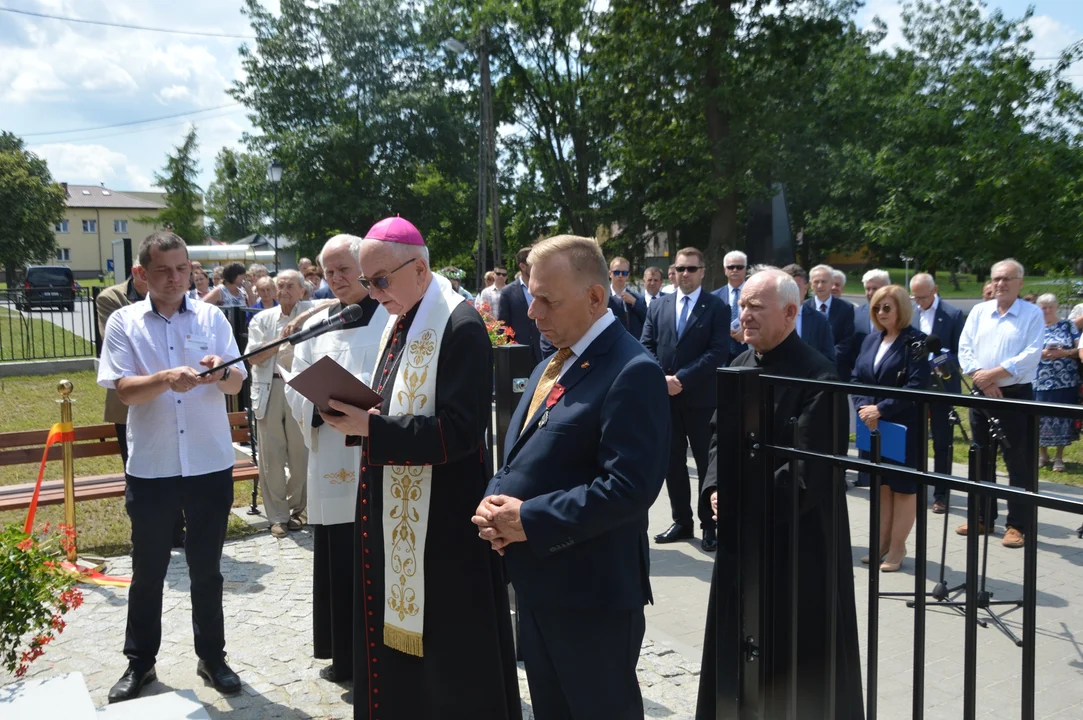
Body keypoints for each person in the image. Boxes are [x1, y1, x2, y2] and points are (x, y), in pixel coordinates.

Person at [316, 217, 520, 720]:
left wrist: (372, 428)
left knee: (447, 655)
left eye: (380, 280)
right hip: (395, 513)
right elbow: (390, 403)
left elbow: (460, 431)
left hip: (443, 527)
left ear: (421, 268)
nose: (373, 292)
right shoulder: (399, 317)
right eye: (367, 282)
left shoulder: (460, 324)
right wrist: (352, 413)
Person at [475, 234, 669, 719]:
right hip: (542, 582)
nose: (534, 311)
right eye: (531, 294)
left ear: (595, 298)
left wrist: (530, 519)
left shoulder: (632, 370)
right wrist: (494, 504)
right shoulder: (552, 361)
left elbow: (630, 488)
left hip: (592, 597)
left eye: (547, 300)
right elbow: (522, 452)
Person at [696, 268, 863, 720]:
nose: (743, 315)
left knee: (796, 660)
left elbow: (809, 469)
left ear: (790, 312)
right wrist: (714, 486)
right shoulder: (737, 367)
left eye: (755, 306)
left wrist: (740, 498)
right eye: (742, 305)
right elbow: (717, 440)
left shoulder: (819, 377)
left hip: (799, 544)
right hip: (743, 538)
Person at [97, 232, 247, 703]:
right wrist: (165, 378)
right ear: (141, 273)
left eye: (182, 269)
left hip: (208, 463)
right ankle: (139, 664)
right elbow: (124, 391)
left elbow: (235, 380)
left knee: (207, 569)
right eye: (163, 270)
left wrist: (220, 370)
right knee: (148, 571)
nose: (175, 278)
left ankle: (213, 657)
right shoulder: (124, 322)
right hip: (154, 466)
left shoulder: (212, 315)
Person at [283, 235, 389, 683]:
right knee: (338, 555)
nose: (337, 278)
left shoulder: (391, 318)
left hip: (377, 453)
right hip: (330, 456)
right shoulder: (323, 321)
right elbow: (294, 383)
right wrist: (317, 405)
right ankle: (344, 656)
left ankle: (378, 659)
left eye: (344, 268)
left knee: (374, 555)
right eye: (328, 272)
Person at [642, 246, 730, 551]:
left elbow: (718, 351)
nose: (685, 274)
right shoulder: (659, 305)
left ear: (702, 272)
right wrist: (662, 379)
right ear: (673, 272)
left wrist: (682, 379)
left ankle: (710, 525)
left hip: (702, 399)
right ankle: (682, 520)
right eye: (680, 269)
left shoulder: (716, 307)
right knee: (672, 463)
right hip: (666, 399)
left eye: (692, 269)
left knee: (707, 464)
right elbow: (646, 345)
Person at [96, 267, 186, 549]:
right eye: (158, 271)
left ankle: (176, 530)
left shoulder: (177, 299)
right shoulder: (112, 300)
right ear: (138, 271)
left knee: (177, 466)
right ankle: (146, 534)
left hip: (173, 399)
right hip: (131, 401)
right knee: (137, 470)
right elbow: (124, 346)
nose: (167, 279)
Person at [957, 258, 1043, 549]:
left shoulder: (1031, 314)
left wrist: (995, 374)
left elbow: (1031, 354)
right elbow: (964, 347)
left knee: (1017, 461)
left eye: (1007, 279)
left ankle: (1017, 525)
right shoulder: (980, 311)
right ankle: (982, 517)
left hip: (1015, 394)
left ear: (1020, 283)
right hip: (982, 394)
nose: (1000, 284)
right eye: (996, 279)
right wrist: (983, 380)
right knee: (980, 457)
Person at [852, 285, 931, 571]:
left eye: (887, 307)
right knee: (881, 486)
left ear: (901, 309)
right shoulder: (871, 340)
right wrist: (863, 407)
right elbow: (857, 378)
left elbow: (916, 385)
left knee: (903, 489)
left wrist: (881, 408)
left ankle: (898, 548)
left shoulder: (916, 342)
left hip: (903, 426)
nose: (881, 312)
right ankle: (881, 544)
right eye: (876, 308)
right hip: (872, 425)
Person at [247, 270, 312, 539]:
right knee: (271, 456)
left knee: (301, 454)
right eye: (280, 286)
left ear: (302, 290)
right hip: (270, 387)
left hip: (300, 387)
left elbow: (334, 303)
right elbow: (253, 357)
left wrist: (300, 319)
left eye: (290, 286)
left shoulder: (312, 313)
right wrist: (284, 336)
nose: (284, 291)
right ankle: (277, 516)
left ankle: (299, 511)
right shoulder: (262, 319)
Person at [909, 273, 965, 511]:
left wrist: (936, 359)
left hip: (943, 385)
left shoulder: (953, 315)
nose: (919, 301)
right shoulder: (910, 313)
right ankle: (916, 487)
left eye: (923, 296)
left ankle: (941, 493)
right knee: (914, 439)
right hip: (915, 386)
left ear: (935, 290)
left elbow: (961, 352)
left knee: (942, 441)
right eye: (915, 296)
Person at [1033, 294, 1080, 472]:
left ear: (1056, 307)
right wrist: (1043, 354)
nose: (1046, 310)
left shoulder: (1068, 325)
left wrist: (1065, 353)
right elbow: (1024, 351)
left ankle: (1059, 457)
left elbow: (1078, 349)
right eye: (1042, 307)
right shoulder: (1034, 327)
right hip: (1040, 380)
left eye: (1049, 307)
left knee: (1063, 417)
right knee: (1040, 417)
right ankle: (1042, 454)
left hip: (1065, 380)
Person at [806, 264, 856, 382]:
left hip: (837, 369)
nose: (820, 285)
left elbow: (847, 339)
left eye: (824, 281)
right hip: (809, 369)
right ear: (810, 284)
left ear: (831, 283)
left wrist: (827, 357)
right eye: (816, 282)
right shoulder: (804, 307)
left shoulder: (846, 308)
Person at [499, 246, 544, 364]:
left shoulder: (545, 288)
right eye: (534, 264)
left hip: (544, 351)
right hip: (520, 354)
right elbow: (504, 325)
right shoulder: (508, 292)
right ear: (522, 266)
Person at [782, 263, 836, 362]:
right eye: (787, 288)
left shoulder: (820, 320)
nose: (792, 292)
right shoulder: (771, 317)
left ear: (805, 289)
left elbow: (829, 359)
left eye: (796, 287)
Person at [711, 250, 747, 358]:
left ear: (745, 269)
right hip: (722, 354)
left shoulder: (756, 293)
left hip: (749, 350)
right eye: (731, 267)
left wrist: (746, 333)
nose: (735, 270)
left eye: (739, 267)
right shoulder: (714, 297)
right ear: (725, 270)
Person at [609, 256, 647, 339]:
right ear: (610, 274)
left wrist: (635, 303)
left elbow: (647, 320)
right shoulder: (603, 297)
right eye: (616, 272)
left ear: (628, 275)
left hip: (631, 345)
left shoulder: (638, 298)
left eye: (624, 273)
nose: (620, 275)